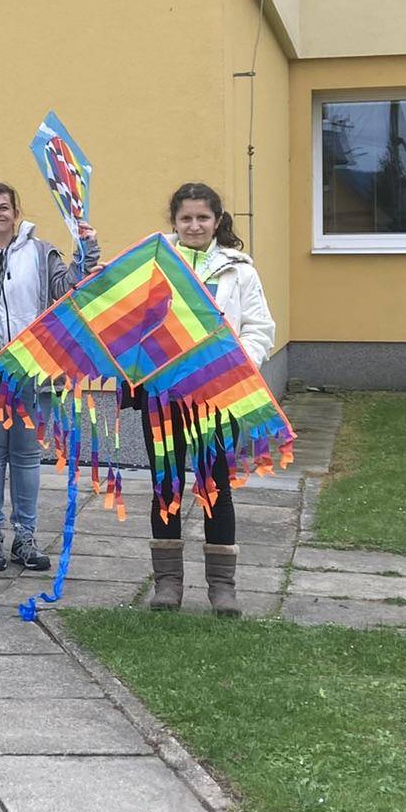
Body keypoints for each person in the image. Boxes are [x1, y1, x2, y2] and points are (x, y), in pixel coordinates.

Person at [0, 182, 100, 573]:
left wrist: (87, 247)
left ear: (16, 212)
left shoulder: (42, 253)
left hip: (34, 371)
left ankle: (25, 536)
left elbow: (69, 288)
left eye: (3, 207)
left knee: (26, 456)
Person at [138, 181, 275, 616]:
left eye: (202, 217)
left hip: (219, 395)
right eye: (186, 218)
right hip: (163, 394)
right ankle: (167, 584)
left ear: (217, 222)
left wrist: (233, 365)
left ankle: (222, 588)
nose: (194, 225)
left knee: (216, 486)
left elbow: (259, 328)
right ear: (174, 222)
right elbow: (133, 321)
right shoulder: (154, 264)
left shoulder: (239, 271)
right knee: (166, 486)